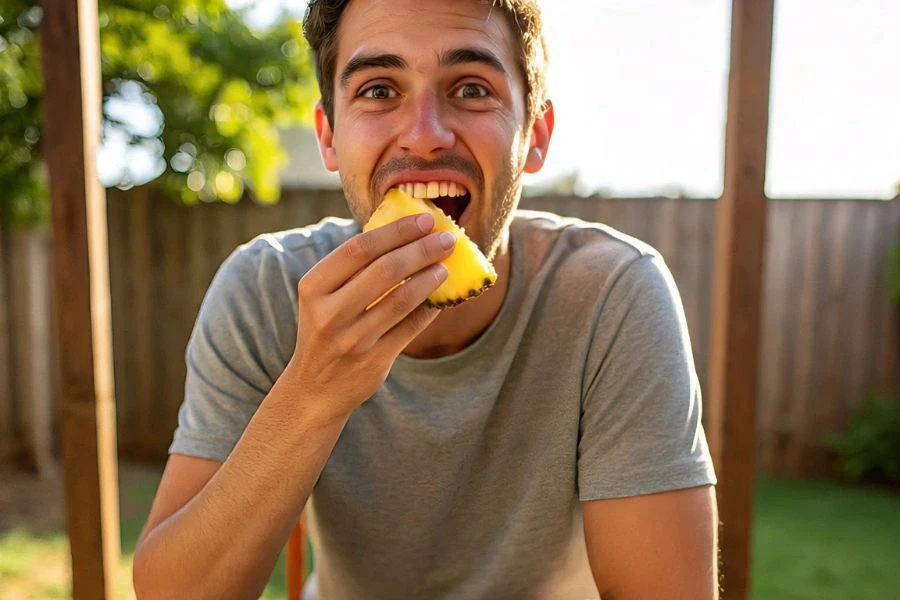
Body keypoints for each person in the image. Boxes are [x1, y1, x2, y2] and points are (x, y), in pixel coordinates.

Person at [133, 1, 719, 598]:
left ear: (534, 137)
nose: (425, 135)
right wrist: (313, 392)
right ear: (329, 136)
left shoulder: (612, 295)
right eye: (379, 90)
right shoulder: (264, 291)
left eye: (470, 88)